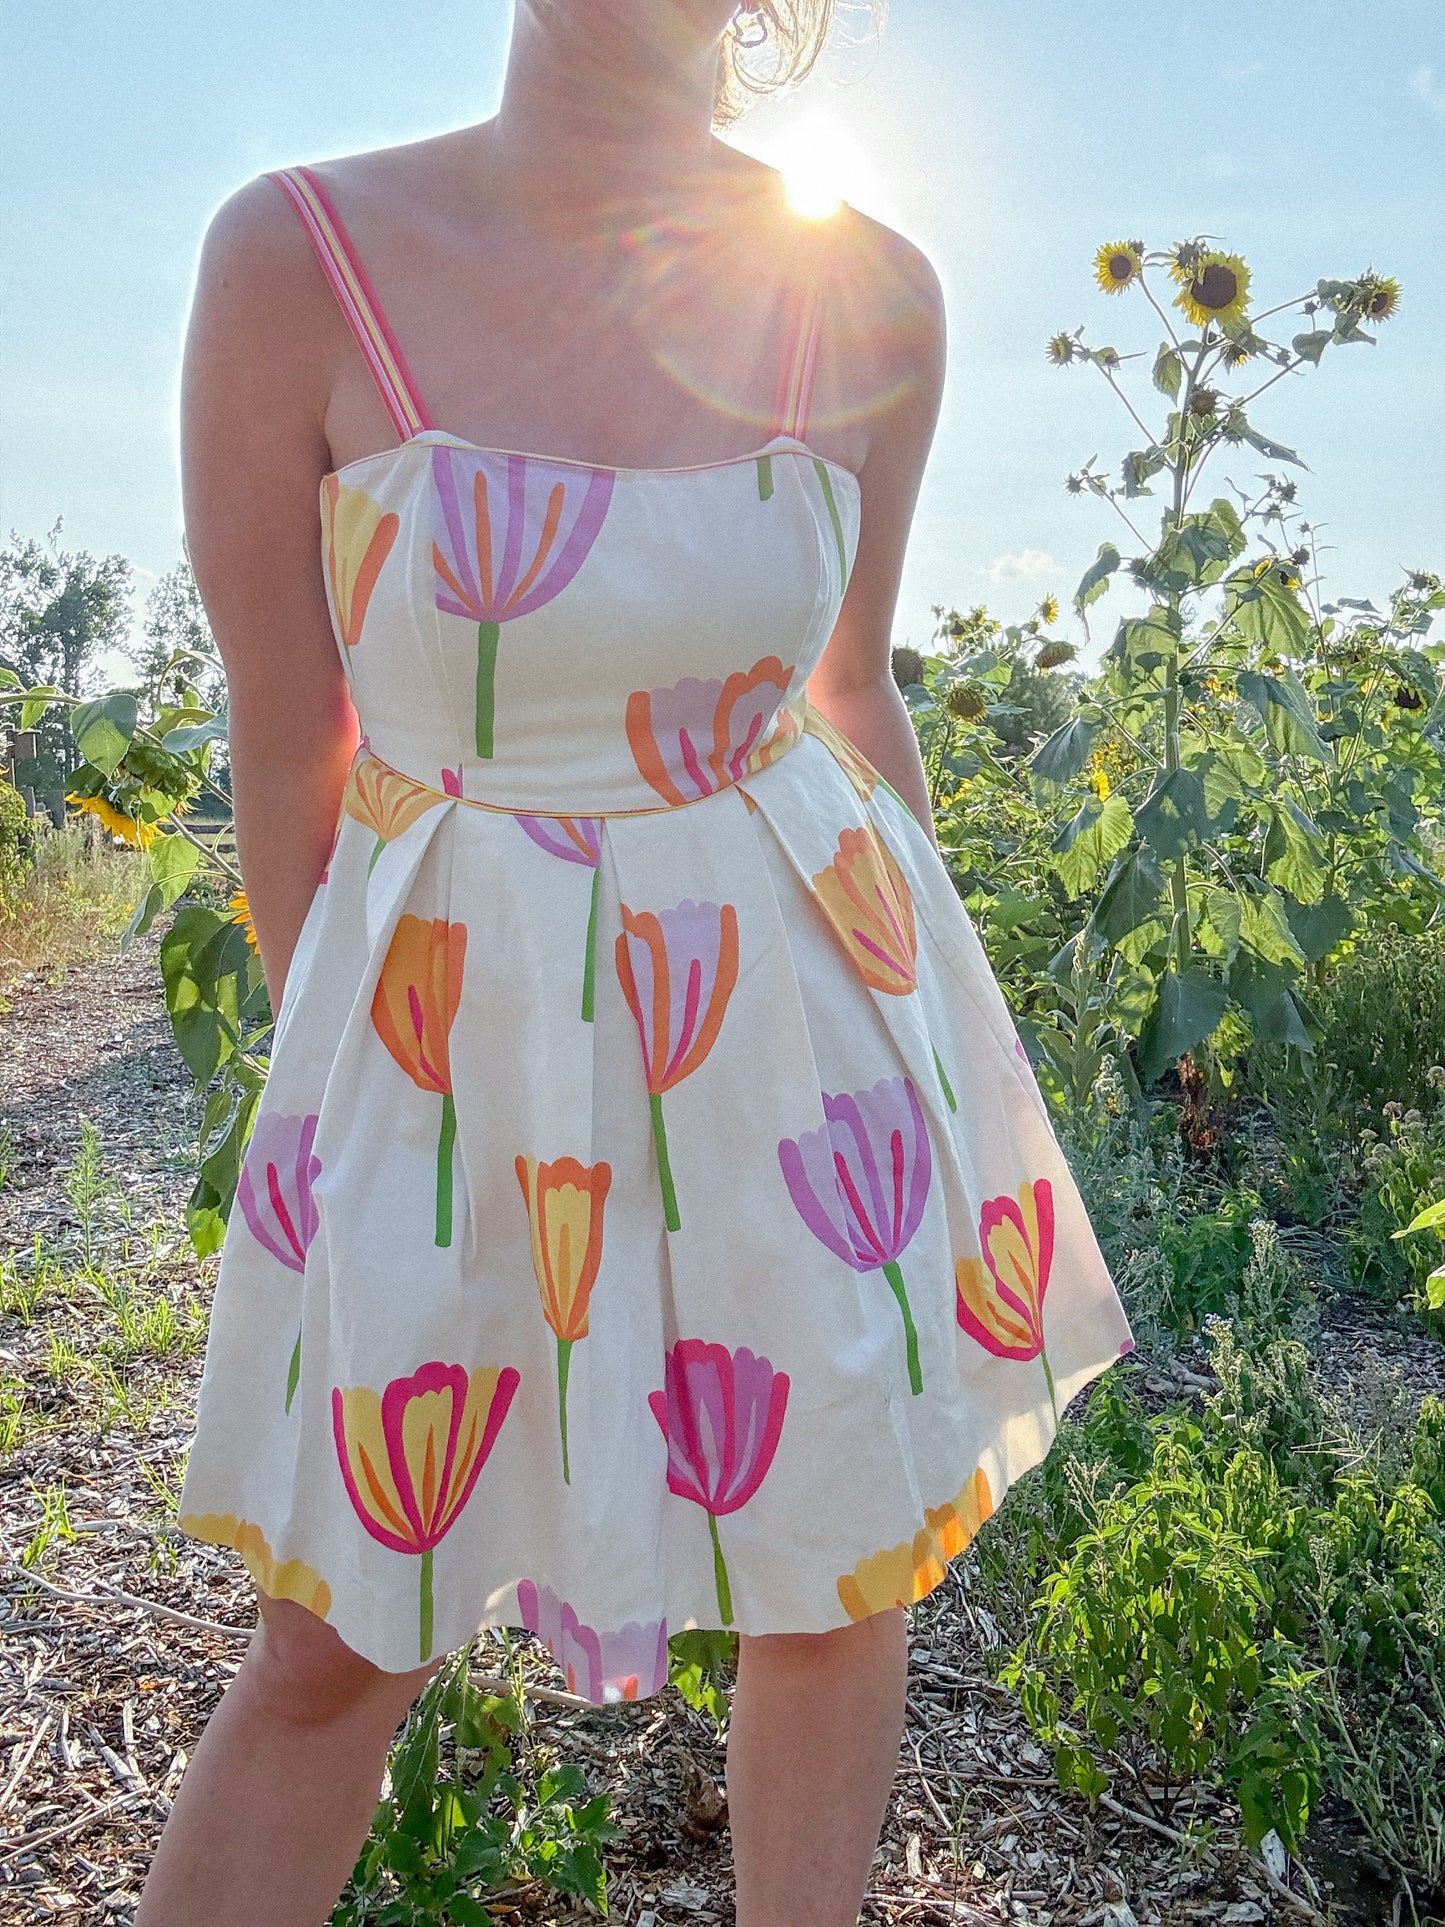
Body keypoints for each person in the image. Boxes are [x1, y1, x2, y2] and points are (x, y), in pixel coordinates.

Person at [138, 3, 1133, 1922]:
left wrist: (943, 1070)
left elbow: (850, 686)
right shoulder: (296, 252)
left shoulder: (871, 290)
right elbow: (290, 737)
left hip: (802, 1010)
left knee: (830, 1578)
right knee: (338, 1638)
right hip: (444, 1029)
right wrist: (352, 1089)